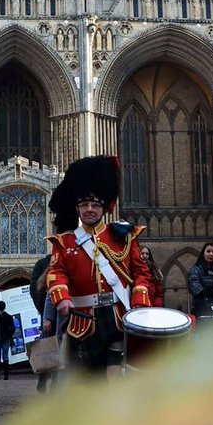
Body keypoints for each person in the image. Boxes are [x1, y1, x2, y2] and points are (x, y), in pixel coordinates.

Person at [47, 156, 155, 379]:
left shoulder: (123, 236)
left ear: (104, 207)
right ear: (77, 209)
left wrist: (138, 302)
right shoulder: (64, 242)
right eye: (84, 205)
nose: (89, 209)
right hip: (83, 321)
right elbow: (56, 273)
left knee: (115, 375)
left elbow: (141, 273)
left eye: (95, 205)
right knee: (89, 380)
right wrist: (62, 297)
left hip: (118, 317)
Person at [0, 300, 15, 380]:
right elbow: (13, 329)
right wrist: (8, 334)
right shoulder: (9, 317)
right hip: (6, 338)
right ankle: (6, 375)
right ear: (4, 307)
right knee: (5, 357)